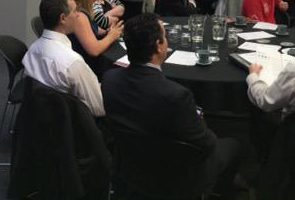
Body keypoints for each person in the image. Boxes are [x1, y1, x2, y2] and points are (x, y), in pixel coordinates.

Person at [102, 13, 240, 197]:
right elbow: (206, 144)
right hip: (175, 176)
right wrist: (194, 120)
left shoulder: (109, 79)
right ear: (159, 46)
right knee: (233, 145)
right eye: (165, 37)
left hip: (128, 168)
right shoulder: (176, 95)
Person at [22, 0, 105, 117]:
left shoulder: (31, 51)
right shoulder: (72, 62)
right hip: (73, 125)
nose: (78, 15)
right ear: (63, 18)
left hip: (40, 121)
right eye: (75, 11)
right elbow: (98, 109)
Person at [67, 0, 124, 66]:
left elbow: (91, 29)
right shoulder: (79, 16)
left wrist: (107, 31)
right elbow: (94, 50)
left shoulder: (82, 8)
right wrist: (112, 36)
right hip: (85, 64)